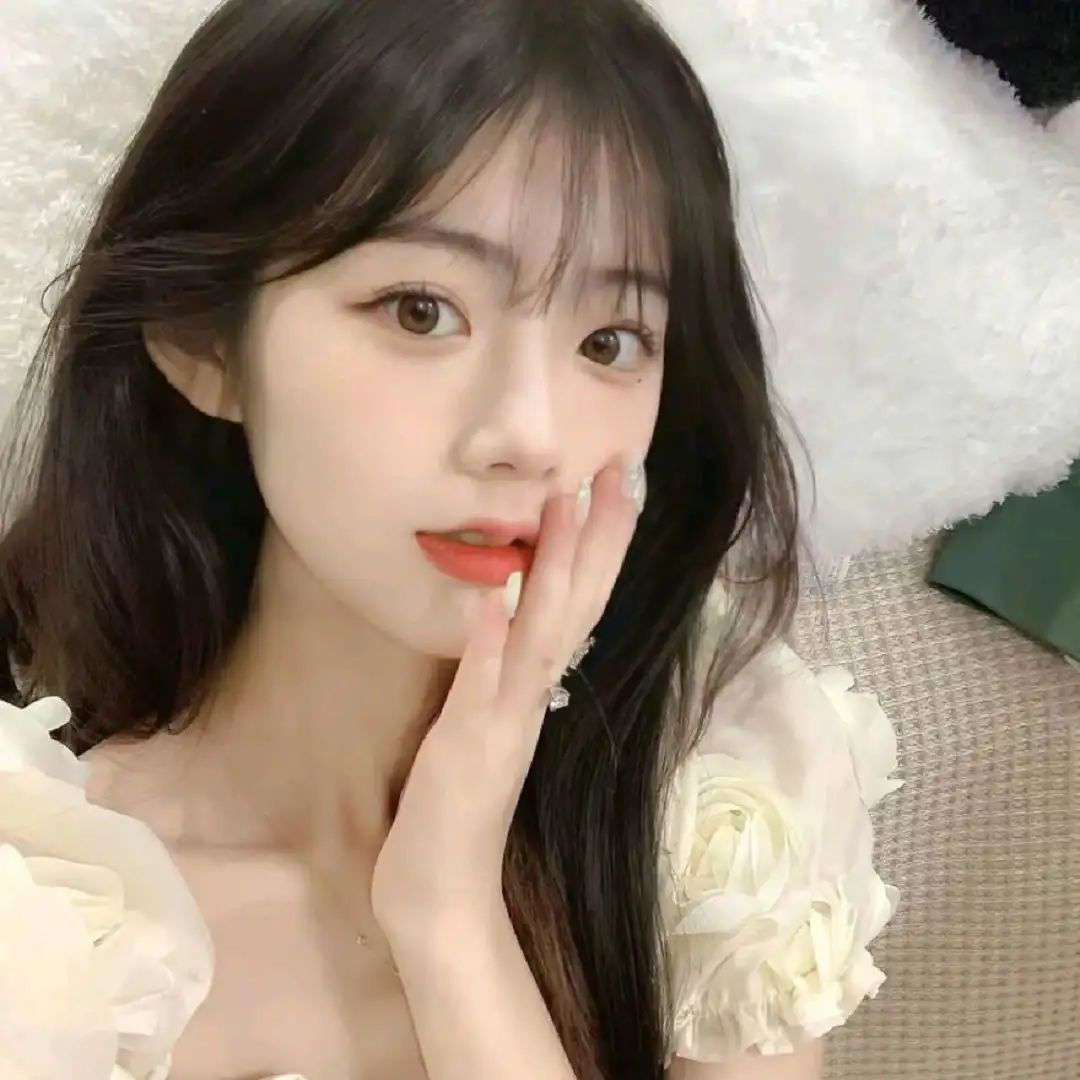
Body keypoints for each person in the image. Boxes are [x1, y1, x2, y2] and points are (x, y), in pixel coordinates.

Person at [0, 1, 898, 1077]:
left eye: (609, 341)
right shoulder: (47, 901)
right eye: (420, 311)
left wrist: (450, 917)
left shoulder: (708, 815)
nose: (529, 435)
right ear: (205, 340)